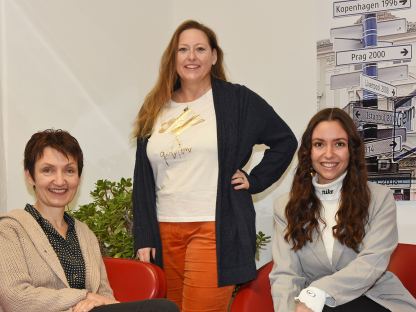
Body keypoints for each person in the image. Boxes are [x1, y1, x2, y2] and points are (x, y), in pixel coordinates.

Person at [132, 19, 297, 311]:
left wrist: (254, 179)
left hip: (213, 230)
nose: (191, 57)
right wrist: (143, 235)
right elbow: (143, 178)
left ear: (214, 56)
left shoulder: (237, 100)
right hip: (164, 230)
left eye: (200, 49)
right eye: (183, 49)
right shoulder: (155, 106)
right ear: (173, 57)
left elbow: (284, 141)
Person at [0, 129, 179, 312]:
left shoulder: (85, 234)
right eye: (48, 170)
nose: (60, 180)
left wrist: (97, 300)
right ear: (30, 176)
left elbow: (105, 296)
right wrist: (83, 296)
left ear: (78, 177)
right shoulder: (10, 229)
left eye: (69, 170)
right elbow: (14, 298)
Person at [269, 108, 416, 312]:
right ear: (308, 151)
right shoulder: (285, 206)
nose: (328, 154)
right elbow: (286, 273)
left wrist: (317, 293)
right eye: (319, 144)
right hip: (314, 306)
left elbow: (372, 263)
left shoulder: (380, 198)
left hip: (373, 298)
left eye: (339, 144)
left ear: (351, 150)